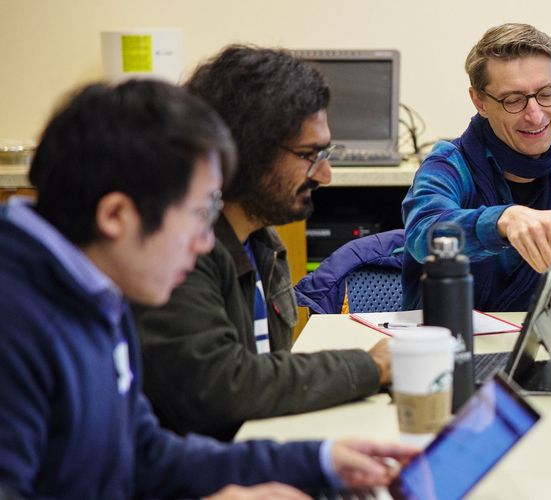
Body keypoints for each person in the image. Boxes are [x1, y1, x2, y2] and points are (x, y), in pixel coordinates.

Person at [0, 79, 414, 499]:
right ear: (116, 215)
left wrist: (320, 461)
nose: (204, 243)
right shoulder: (16, 324)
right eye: (199, 214)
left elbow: (146, 454)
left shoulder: (96, 288)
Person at [133, 45, 392, 441]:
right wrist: (369, 368)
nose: (325, 175)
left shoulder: (263, 243)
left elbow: (265, 374)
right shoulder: (181, 255)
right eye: (309, 155)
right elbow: (223, 387)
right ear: (240, 153)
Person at [400, 23, 551, 312]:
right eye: (513, 100)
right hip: (450, 342)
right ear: (480, 101)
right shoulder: (447, 167)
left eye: (548, 93)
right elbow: (422, 235)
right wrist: (502, 220)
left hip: (544, 345)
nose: (536, 115)